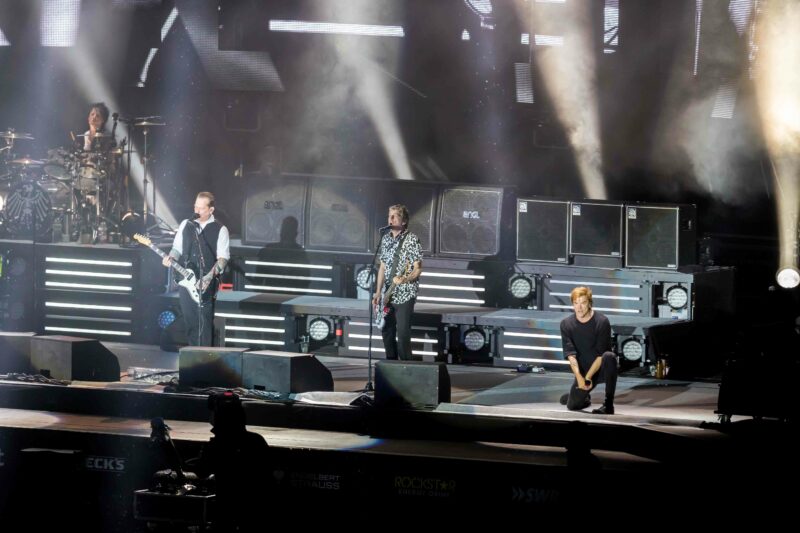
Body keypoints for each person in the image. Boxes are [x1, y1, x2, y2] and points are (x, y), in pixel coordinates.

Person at [162, 192, 230, 346]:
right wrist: (171, 257)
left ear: (211, 210)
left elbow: (223, 259)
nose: (196, 211)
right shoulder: (186, 224)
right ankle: (193, 355)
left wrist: (207, 278)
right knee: (190, 322)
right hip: (185, 280)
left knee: (204, 323)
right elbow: (176, 248)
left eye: (201, 208)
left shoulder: (220, 229)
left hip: (206, 283)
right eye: (195, 207)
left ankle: (206, 357)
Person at [371, 204, 423, 360]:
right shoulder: (385, 239)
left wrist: (405, 279)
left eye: (395, 216)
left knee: (403, 333)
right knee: (386, 331)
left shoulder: (412, 239)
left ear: (404, 221)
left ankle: (406, 366)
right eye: (389, 216)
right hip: (388, 293)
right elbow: (382, 267)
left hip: (405, 294)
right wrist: (378, 291)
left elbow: (417, 269)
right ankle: (391, 363)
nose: (391, 219)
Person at [559, 286, 618, 414]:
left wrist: (588, 377)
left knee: (609, 356)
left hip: (600, 368)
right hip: (583, 370)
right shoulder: (566, 324)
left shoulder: (602, 321)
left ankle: (608, 405)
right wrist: (580, 377)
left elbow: (600, 355)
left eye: (583, 303)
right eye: (576, 303)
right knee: (572, 405)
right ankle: (582, 397)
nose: (579, 307)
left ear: (590, 303)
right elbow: (571, 355)